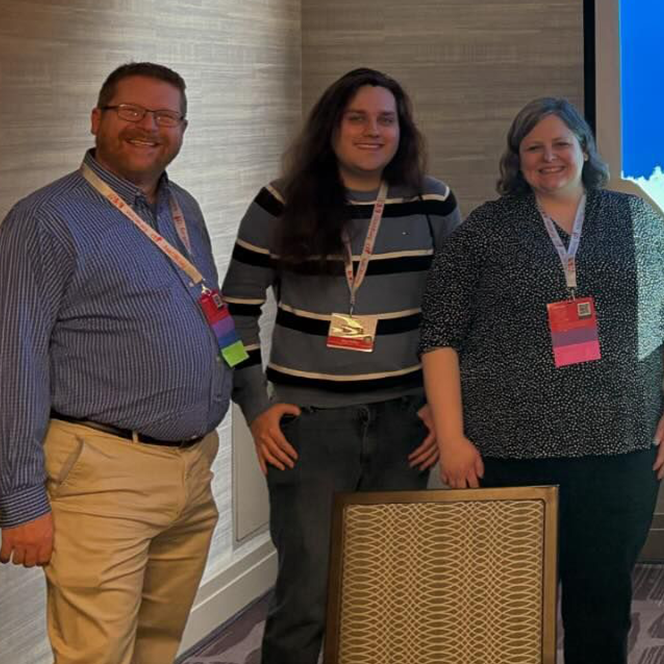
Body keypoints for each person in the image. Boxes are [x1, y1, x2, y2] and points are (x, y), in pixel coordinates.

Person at [222, 67, 461, 663]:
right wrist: (255, 407)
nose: (372, 131)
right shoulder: (279, 204)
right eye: (357, 117)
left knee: (389, 597)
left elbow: (458, 318)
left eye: (386, 119)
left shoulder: (434, 203)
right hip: (308, 428)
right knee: (306, 596)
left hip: (407, 426)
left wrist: (446, 410)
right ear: (331, 125)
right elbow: (229, 321)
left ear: (402, 130)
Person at [0, 62, 233, 664]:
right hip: (101, 476)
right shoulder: (44, 221)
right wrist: (19, 500)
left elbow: (212, 314)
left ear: (182, 129)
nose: (148, 126)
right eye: (131, 111)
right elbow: (14, 362)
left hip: (190, 469)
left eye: (165, 116)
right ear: (97, 118)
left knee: (156, 647)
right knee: (96, 655)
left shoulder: (183, 207)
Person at [419, 97, 664, 664]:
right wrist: (451, 441)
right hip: (507, 450)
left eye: (561, 144)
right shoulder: (486, 229)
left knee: (601, 604)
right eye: (533, 147)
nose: (548, 157)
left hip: (619, 447)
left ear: (584, 149)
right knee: (505, 608)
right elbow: (441, 338)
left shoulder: (635, 219)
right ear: (517, 159)